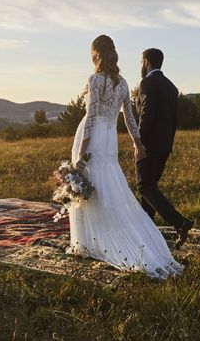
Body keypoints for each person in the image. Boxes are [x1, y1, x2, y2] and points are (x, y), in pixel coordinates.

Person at [68, 35, 183, 279]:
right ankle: (98, 238)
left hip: (94, 136)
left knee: (93, 185)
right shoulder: (122, 84)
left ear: (96, 54)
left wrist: (80, 153)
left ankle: (95, 241)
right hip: (109, 138)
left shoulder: (96, 80)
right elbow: (130, 119)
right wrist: (137, 143)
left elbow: (90, 118)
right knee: (107, 184)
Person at [136, 48, 194, 248]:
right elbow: (173, 120)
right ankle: (146, 233)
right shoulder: (171, 86)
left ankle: (180, 222)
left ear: (146, 62)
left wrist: (139, 142)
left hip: (149, 144)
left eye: (141, 62)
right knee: (149, 188)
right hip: (164, 145)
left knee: (144, 186)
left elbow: (147, 115)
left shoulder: (147, 83)